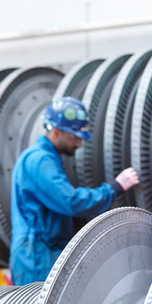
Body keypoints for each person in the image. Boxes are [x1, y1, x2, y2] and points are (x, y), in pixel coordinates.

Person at [10, 96, 139, 285]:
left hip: (42, 253)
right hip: (37, 259)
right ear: (55, 132)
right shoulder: (40, 161)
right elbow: (71, 201)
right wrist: (115, 187)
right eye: (74, 137)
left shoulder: (42, 158)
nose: (80, 144)